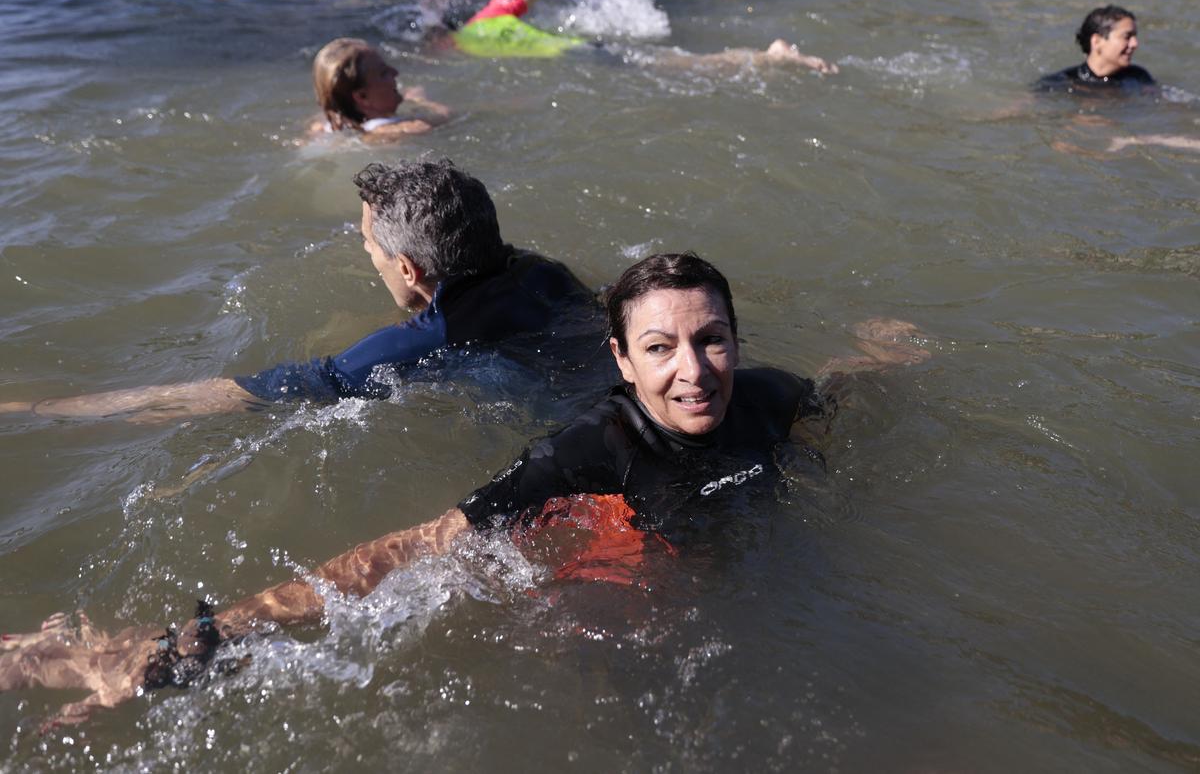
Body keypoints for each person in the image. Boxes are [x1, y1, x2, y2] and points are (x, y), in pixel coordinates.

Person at [0, 252, 928, 725]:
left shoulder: (767, 397)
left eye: (712, 338)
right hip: (621, 570)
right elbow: (416, 546)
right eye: (660, 348)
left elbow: (832, 394)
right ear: (620, 358)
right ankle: (122, 654)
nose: (695, 370)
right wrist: (206, 636)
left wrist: (882, 358)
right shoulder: (585, 450)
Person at [0, 160, 597, 423]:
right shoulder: (544, 273)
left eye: (370, 246)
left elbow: (244, 394)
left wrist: (43, 410)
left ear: (410, 269)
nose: (367, 255)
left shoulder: (417, 344)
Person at [447, 0, 838, 73]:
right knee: (680, 62)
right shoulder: (493, 13)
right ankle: (765, 55)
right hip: (583, 49)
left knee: (685, 66)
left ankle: (770, 56)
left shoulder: (467, 42)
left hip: (581, 56)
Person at [311, 38, 452, 140]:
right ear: (362, 97)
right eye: (384, 73)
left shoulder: (321, 127)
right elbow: (446, 116)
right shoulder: (399, 130)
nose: (395, 72)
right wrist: (422, 101)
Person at [1035, 5, 1155, 94]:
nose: (1135, 44)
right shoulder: (1059, 83)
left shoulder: (1138, 77)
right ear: (1097, 41)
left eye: (1134, 37)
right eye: (1127, 37)